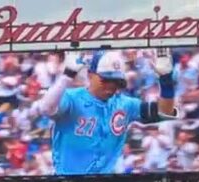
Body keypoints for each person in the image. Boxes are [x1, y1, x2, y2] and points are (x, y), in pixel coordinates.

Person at [39, 49, 178, 175]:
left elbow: (166, 112)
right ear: (90, 75)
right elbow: (45, 108)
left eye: (116, 81)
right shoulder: (72, 98)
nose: (111, 87)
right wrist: (66, 76)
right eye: (105, 80)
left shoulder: (125, 104)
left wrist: (166, 81)